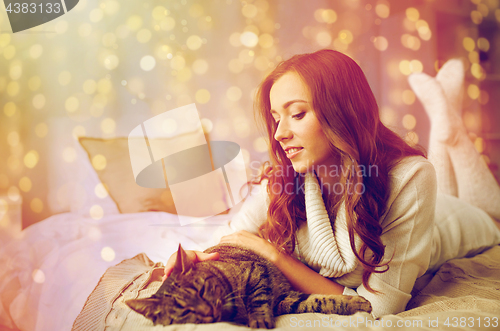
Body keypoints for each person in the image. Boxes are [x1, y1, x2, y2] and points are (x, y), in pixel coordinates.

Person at [162, 50, 500, 317]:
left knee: (490, 209)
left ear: (343, 112)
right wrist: (197, 257)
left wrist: (276, 257)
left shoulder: (411, 177)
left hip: (457, 220)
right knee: (443, 168)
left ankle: (448, 126)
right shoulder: (283, 180)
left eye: (296, 114)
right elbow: (234, 237)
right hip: (424, 209)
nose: (279, 134)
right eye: (276, 119)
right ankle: (446, 119)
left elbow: (378, 307)